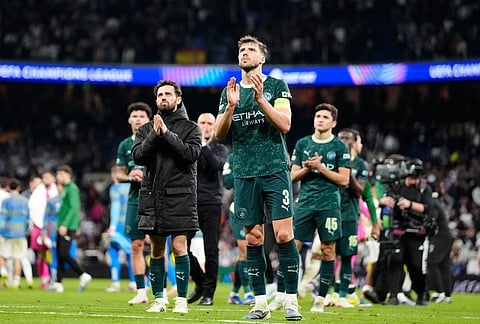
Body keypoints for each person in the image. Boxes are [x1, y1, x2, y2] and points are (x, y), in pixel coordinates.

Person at [215, 35, 302, 321]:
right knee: (253, 238)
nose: (245, 53)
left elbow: (285, 124)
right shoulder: (229, 90)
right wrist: (229, 107)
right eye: (241, 49)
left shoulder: (276, 86)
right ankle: (260, 303)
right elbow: (218, 134)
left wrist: (261, 98)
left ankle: (291, 301)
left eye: (251, 49)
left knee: (284, 234)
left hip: (275, 168)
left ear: (262, 58)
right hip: (244, 172)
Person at [132, 79, 201, 314]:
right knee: (157, 250)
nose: (163, 98)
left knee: (180, 247)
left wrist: (167, 134)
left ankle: (181, 300)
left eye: (168, 94)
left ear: (178, 98)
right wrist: (154, 134)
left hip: (180, 196)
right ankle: (159, 299)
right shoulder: (145, 129)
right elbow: (138, 157)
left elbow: (191, 154)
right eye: (160, 95)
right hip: (152, 196)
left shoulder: (191, 128)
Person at [290, 103, 351, 313]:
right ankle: (285, 295)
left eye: (325, 117)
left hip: (329, 205)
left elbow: (344, 180)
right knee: (291, 247)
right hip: (305, 203)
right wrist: (308, 168)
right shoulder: (302, 144)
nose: (320, 119)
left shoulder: (340, 147)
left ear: (333, 122)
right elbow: (292, 175)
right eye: (318, 116)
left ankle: (320, 299)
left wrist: (320, 168)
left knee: (327, 250)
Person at [372, 156, 433, 306]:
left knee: (415, 265)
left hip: (416, 231)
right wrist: (382, 202)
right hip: (397, 229)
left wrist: (409, 204)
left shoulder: (425, 189)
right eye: (411, 177)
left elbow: (427, 208)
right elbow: (383, 200)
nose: (413, 181)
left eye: (416, 178)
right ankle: (393, 295)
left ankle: (421, 293)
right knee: (395, 262)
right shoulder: (396, 186)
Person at [187, 112, 228, 306]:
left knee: (210, 249)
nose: (205, 126)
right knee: (180, 247)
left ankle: (209, 293)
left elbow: (214, 165)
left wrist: (203, 145)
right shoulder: (189, 149)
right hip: (189, 203)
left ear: (215, 126)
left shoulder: (220, 149)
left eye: (209, 123)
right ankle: (200, 281)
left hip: (211, 203)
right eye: (201, 122)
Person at [116, 101, 153, 305]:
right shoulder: (124, 145)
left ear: (148, 120)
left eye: (142, 116)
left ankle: (160, 290)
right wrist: (131, 176)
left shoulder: (156, 140)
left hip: (155, 198)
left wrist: (145, 174)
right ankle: (141, 291)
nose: (138, 119)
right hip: (134, 199)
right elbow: (117, 174)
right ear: (129, 120)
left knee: (157, 246)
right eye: (134, 116)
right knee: (136, 245)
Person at [50, 165, 92, 293]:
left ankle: (83, 274)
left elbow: (74, 208)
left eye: (60, 174)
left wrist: (66, 225)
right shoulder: (65, 189)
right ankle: (58, 282)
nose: (58, 177)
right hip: (63, 225)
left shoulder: (72, 189)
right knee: (59, 255)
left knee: (63, 253)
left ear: (68, 175)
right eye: (57, 174)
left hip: (66, 226)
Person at [223, 153, 255, 305]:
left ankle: (234, 293)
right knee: (245, 250)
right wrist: (244, 169)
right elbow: (227, 182)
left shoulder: (260, 154)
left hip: (255, 207)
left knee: (248, 252)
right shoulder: (233, 157)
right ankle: (248, 293)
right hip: (238, 208)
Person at [104, 166, 136, 292]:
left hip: (119, 226)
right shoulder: (132, 188)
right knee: (131, 254)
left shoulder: (115, 188)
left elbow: (116, 208)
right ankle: (134, 282)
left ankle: (115, 282)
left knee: (113, 252)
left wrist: (112, 227)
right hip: (131, 224)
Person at [28, 171, 58, 289]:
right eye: (44, 177)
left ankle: (53, 276)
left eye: (49, 177)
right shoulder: (38, 192)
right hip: (38, 225)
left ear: (53, 179)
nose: (46, 179)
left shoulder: (55, 191)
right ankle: (44, 277)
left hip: (52, 227)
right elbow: (32, 208)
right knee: (40, 254)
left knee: (52, 252)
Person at [0, 178, 30, 289]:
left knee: (2, 256)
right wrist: (25, 231)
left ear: (8, 188)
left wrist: (1, 232)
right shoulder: (25, 201)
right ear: (18, 188)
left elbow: (2, 217)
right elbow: (27, 219)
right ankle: (16, 282)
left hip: (7, 233)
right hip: (20, 233)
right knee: (17, 258)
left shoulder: (6, 201)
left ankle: (3, 272)